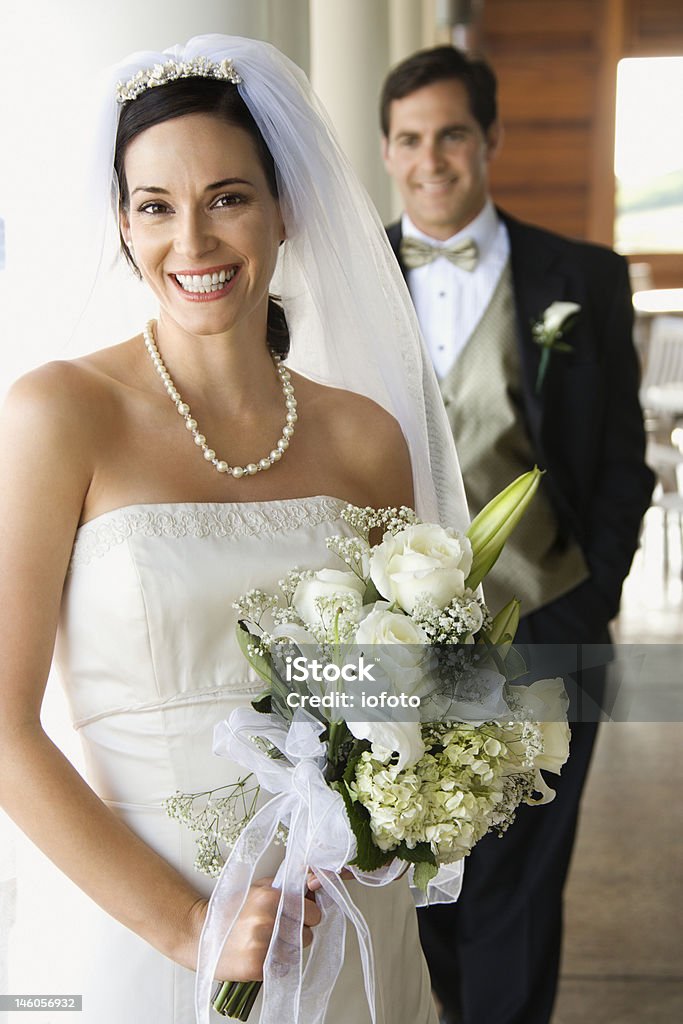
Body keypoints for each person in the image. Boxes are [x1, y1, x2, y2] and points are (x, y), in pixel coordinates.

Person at [0, 35, 471, 1024]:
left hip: (342, 924)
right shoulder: (58, 414)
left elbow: (407, 699)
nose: (194, 243)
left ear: (284, 203)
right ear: (122, 228)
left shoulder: (364, 436)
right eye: (155, 207)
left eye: (228, 196)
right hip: (144, 932)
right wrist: (188, 925)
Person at [380, 45, 654, 1024]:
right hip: (390, 640)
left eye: (451, 132)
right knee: (409, 881)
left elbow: (624, 461)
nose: (431, 160)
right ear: (385, 151)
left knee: (519, 887)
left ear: (489, 137)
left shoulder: (580, 277)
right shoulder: (347, 281)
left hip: (548, 618)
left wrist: (593, 594)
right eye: (408, 139)